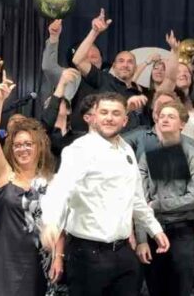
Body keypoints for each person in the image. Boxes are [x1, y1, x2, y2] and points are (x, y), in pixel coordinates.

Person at [39, 92, 170, 295]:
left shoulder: (126, 150)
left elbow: (136, 198)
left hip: (123, 252)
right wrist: (51, 222)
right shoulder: (79, 149)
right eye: (104, 112)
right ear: (94, 117)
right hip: (87, 255)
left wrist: (155, 229)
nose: (109, 118)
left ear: (125, 120)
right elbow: (61, 189)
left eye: (116, 113)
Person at [0, 80, 58, 295]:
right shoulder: (4, 175)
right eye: (17, 145)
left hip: (39, 261)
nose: (22, 149)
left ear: (39, 146)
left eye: (28, 144)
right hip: (5, 261)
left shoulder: (51, 181)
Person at [136, 101, 194, 296]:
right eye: (162, 116)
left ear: (182, 124)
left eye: (171, 116)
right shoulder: (148, 156)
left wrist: (158, 205)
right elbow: (140, 202)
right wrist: (141, 240)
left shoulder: (191, 153)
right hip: (153, 232)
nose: (165, 119)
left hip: (181, 232)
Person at [71, 9, 148, 128]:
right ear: (114, 66)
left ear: (135, 67)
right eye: (121, 61)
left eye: (130, 62)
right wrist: (94, 32)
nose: (125, 65)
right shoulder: (104, 79)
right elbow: (78, 60)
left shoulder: (138, 94)